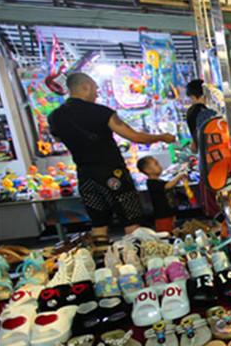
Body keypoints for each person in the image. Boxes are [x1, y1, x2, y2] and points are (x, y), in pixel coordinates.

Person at [48, 72, 175, 243]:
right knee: (131, 221)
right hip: (113, 173)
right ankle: (137, 260)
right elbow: (135, 137)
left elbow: (57, 139)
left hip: (85, 177)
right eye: (95, 88)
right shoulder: (100, 112)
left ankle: (102, 262)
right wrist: (162, 137)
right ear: (85, 86)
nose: (97, 92)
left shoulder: (55, 117)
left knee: (99, 223)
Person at [137, 156, 187, 233]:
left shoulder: (159, 181)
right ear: (148, 170)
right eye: (156, 164)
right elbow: (168, 186)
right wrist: (179, 176)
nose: (160, 166)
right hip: (162, 216)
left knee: (174, 231)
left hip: (170, 213)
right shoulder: (152, 183)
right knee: (166, 233)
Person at [185, 79, 208, 152]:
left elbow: (194, 147)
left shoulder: (196, 112)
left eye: (192, 98)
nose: (192, 103)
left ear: (201, 96)